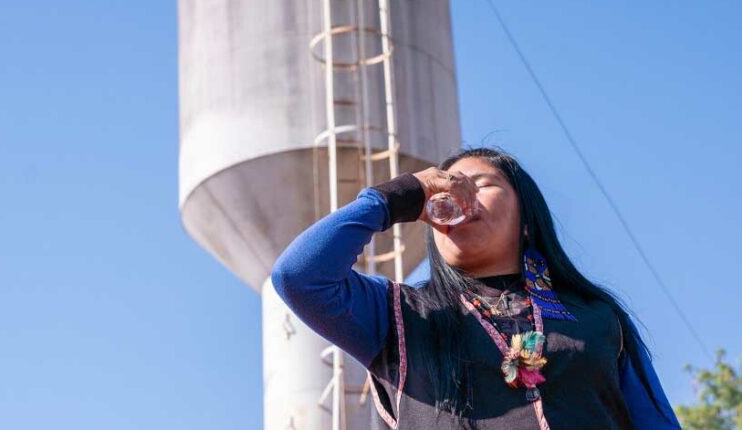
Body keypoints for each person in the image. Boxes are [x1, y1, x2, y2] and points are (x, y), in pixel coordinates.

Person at [271, 147, 680, 429]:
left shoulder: (595, 316)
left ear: (526, 219)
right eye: (447, 189)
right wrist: (399, 197)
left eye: (479, 184)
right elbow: (299, 277)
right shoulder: (402, 315)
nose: (459, 197)